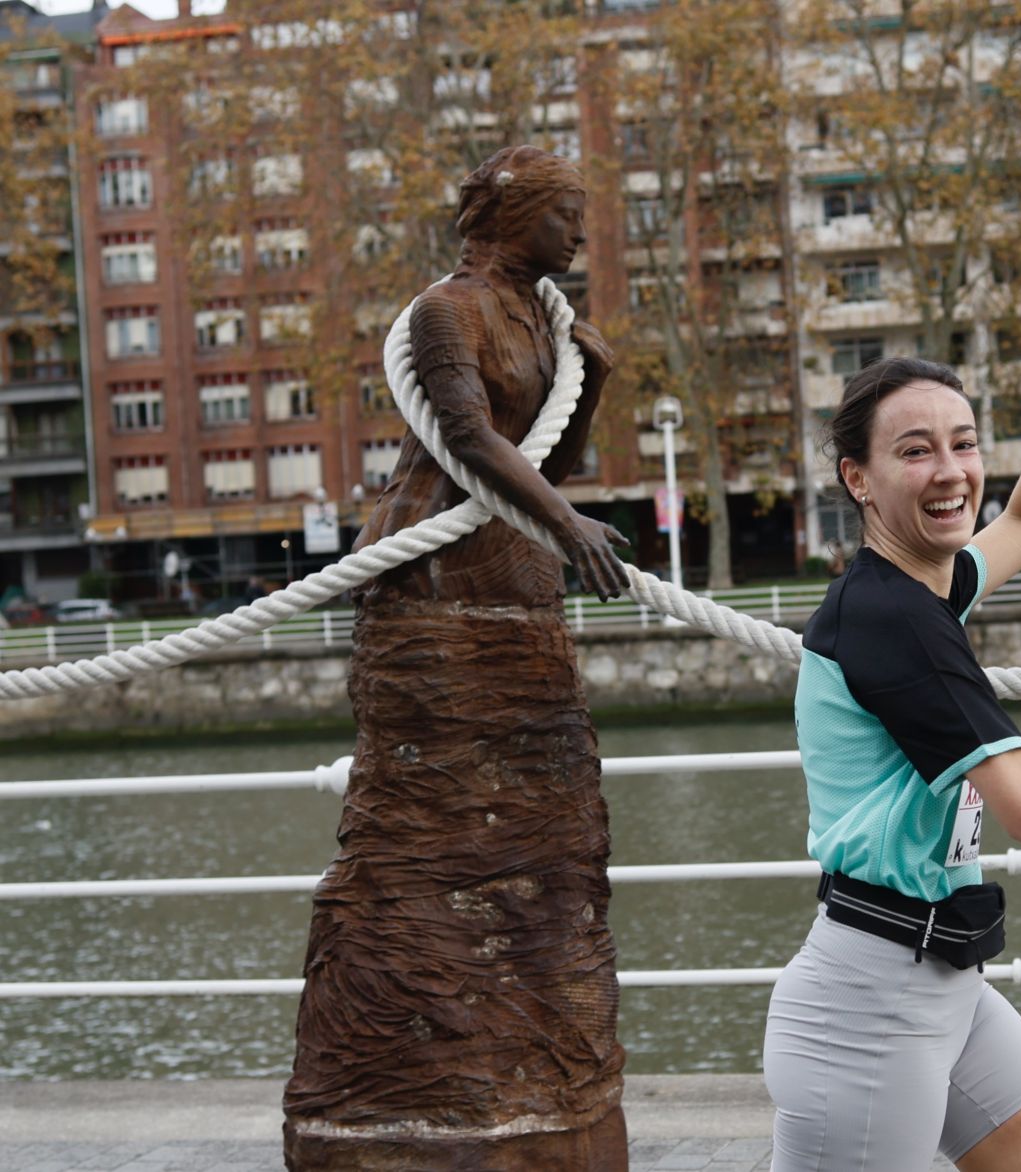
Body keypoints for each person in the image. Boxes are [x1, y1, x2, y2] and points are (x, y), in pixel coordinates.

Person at [764, 262, 1021, 1171]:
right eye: (915, 451)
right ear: (857, 479)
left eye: (963, 443)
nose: (951, 473)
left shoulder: (927, 583)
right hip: (866, 1006)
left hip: (939, 979)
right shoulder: (892, 619)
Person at [285, 146, 632, 1168]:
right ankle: (403, 1070)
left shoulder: (544, 321)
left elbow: (542, 458)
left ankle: (546, 1074)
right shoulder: (446, 311)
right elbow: (470, 442)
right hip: (433, 589)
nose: (580, 232)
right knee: (427, 837)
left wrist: (593, 386)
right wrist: (571, 524)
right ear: (512, 212)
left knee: (552, 842)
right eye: (564, 212)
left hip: (514, 581)